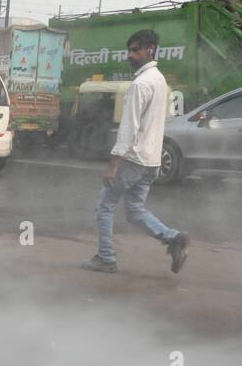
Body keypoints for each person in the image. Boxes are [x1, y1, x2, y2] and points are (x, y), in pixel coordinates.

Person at [81, 29, 189, 275]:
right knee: (135, 210)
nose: (130, 55)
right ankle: (173, 238)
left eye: (136, 50)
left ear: (150, 49)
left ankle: (106, 258)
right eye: (129, 50)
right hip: (152, 160)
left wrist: (114, 164)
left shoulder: (140, 84)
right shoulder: (160, 80)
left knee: (104, 205)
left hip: (134, 158)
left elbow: (129, 127)